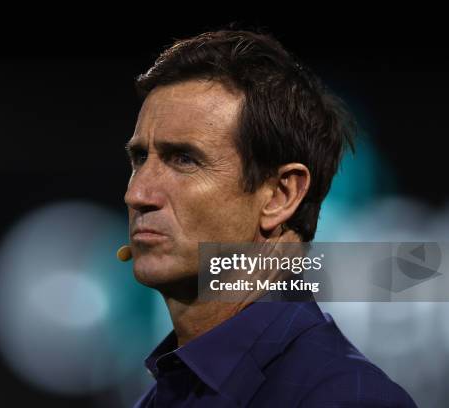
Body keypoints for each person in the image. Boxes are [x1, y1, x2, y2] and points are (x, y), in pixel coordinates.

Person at [123, 30, 418, 407]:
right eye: (139, 159)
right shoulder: (159, 398)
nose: (137, 194)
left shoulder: (347, 397)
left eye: (183, 159)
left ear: (281, 195)